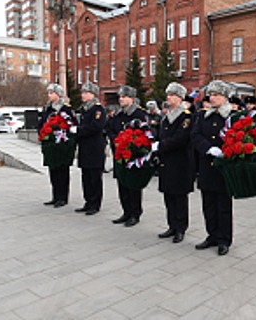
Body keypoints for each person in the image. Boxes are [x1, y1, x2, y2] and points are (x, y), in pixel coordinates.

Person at [192, 80, 234, 256]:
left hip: (224, 167)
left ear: (225, 97)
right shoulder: (203, 115)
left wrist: (224, 150)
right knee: (208, 204)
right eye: (211, 94)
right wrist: (208, 148)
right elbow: (195, 134)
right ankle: (212, 235)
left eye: (216, 95)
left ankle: (224, 239)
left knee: (223, 206)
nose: (212, 98)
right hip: (206, 165)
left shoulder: (231, 115)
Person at [153, 82, 194, 243]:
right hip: (166, 161)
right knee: (168, 195)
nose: (168, 98)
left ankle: (181, 228)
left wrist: (160, 146)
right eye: (168, 95)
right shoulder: (167, 116)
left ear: (179, 97)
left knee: (179, 197)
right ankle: (172, 225)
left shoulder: (186, 116)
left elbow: (180, 139)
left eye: (171, 95)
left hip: (180, 162)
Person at [109, 85, 148, 227]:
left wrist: (131, 145)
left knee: (133, 186)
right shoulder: (119, 115)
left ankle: (135, 213)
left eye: (124, 97)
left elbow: (143, 133)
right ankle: (126, 212)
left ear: (132, 98)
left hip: (133, 156)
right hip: (120, 155)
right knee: (122, 184)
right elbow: (111, 129)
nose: (121, 99)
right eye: (120, 97)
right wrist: (117, 141)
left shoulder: (139, 114)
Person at [71, 82, 107, 216]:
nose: (83, 95)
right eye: (82, 92)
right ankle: (88, 201)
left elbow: (96, 127)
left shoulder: (98, 110)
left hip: (95, 148)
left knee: (94, 178)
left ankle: (95, 204)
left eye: (86, 92)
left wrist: (79, 130)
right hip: (85, 148)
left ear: (93, 94)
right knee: (85, 177)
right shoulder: (84, 109)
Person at [38, 83, 75, 208]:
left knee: (62, 172)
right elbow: (41, 124)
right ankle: (55, 196)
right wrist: (44, 136)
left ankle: (63, 197)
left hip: (62, 146)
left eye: (51, 93)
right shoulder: (47, 109)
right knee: (53, 171)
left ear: (58, 94)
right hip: (50, 146)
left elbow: (71, 126)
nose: (49, 95)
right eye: (48, 93)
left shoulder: (66, 109)